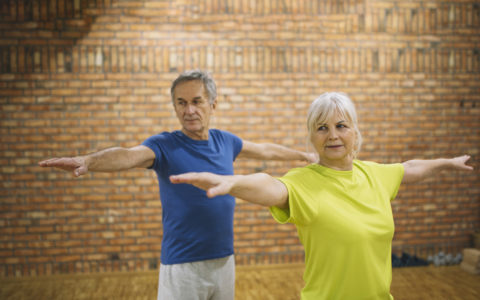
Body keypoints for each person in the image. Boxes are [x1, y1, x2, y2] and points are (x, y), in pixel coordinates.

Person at [38, 70, 315, 300]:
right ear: (174, 107)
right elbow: (129, 155)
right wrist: (89, 160)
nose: (189, 110)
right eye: (181, 103)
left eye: (197, 101)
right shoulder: (165, 145)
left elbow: (264, 150)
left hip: (223, 260)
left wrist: (302, 155)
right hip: (183, 265)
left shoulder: (225, 141)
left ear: (213, 105)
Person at [170, 92, 474, 300]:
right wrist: (232, 182)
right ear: (312, 137)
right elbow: (270, 187)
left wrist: (446, 163)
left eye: (341, 126)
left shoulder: (374, 174)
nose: (332, 135)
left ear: (355, 132)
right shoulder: (303, 182)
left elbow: (410, 167)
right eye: (322, 128)